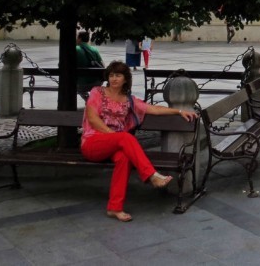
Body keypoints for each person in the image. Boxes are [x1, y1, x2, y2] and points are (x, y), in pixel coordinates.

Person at [81, 60, 198, 222]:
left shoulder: (129, 100)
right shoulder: (97, 92)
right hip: (93, 142)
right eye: (111, 75)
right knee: (125, 137)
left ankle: (114, 207)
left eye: (118, 75)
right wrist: (113, 136)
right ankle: (152, 175)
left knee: (124, 157)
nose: (114, 78)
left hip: (115, 146)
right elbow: (93, 119)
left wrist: (179, 111)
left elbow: (154, 109)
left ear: (125, 79)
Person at [76, 31, 105, 100]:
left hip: (82, 84)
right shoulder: (94, 50)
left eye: (77, 37)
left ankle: (88, 100)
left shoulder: (76, 49)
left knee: (76, 87)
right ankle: (91, 101)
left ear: (79, 39)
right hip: (97, 82)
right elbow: (103, 65)